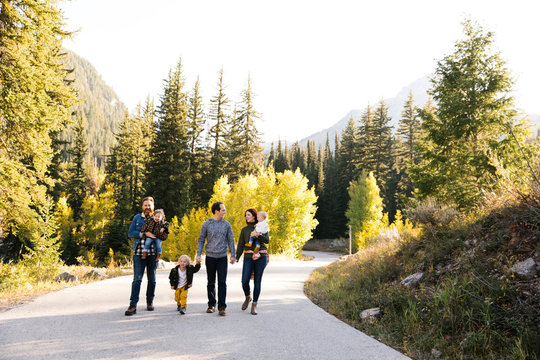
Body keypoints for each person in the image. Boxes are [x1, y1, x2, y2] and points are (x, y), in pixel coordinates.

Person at [196, 202, 236, 316]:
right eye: (223, 210)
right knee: (211, 282)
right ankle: (211, 305)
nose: (225, 211)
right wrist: (198, 254)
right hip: (210, 257)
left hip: (222, 257)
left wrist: (233, 255)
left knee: (222, 282)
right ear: (216, 211)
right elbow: (201, 240)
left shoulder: (227, 224)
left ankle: (222, 307)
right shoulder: (207, 224)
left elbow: (231, 240)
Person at [125, 196, 159, 316]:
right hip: (139, 253)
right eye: (145, 205)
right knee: (137, 279)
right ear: (142, 207)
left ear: (153, 207)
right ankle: (133, 305)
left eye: (149, 205)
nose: (147, 207)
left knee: (152, 279)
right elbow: (130, 233)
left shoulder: (158, 218)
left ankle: (150, 301)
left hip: (153, 254)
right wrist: (144, 234)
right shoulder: (137, 218)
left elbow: (164, 233)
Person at [236, 208, 269, 315]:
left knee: (257, 281)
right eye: (245, 215)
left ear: (254, 216)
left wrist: (257, 235)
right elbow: (241, 244)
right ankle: (247, 297)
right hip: (248, 256)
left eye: (248, 215)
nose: (246, 217)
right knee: (244, 281)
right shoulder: (244, 230)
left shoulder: (262, 226)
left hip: (261, 256)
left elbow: (267, 240)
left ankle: (254, 305)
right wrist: (236, 257)